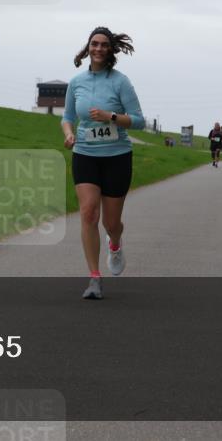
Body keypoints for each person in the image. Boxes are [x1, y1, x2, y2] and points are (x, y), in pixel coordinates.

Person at [61, 26, 145, 300]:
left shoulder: (121, 82)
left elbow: (138, 121)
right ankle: (94, 278)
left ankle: (115, 242)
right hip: (85, 154)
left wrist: (111, 116)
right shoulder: (77, 82)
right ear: (88, 47)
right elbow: (67, 117)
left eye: (104, 45)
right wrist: (69, 134)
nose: (98, 48)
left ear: (110, 50)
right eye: (94, 44)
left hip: (117, 156)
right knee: (88, 213)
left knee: (111, 223)